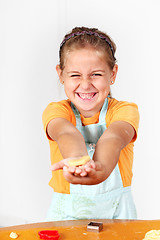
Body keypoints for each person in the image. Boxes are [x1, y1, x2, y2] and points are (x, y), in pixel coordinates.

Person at [42, 26, 139, 221]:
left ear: (112, 74)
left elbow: (114, 136)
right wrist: (80, 161)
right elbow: (66, 133)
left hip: (118, 212)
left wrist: (100, 168)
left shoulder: (125, 110)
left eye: (96, 74)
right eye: (75, 75)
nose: (85, 84)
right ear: (60, 74)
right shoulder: (57, 111)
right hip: (66, 213)